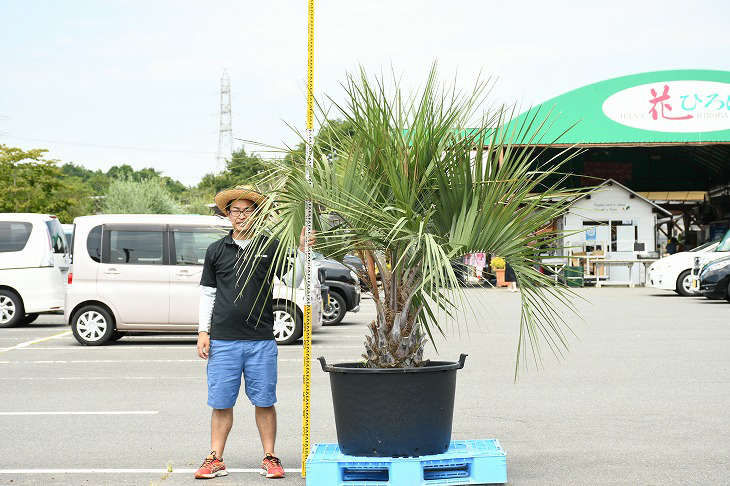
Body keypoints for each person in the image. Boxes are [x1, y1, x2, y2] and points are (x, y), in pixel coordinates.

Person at [194, 186, 314, 480]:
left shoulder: (268, 246)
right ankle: (215, 458)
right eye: (235, 211)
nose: (241, 216)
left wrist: (301, 251)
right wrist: (203, 331)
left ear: (257, 215)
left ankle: (270, 457)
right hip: (223, 340)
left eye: (248, 210)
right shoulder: (216, 250)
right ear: (228, 215)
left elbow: (294, 279)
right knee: (221, 403)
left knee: (264, 401)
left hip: (261, 339)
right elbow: (208, 295)